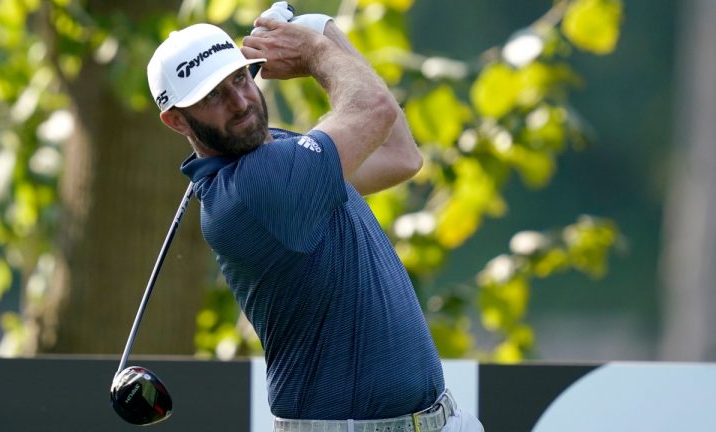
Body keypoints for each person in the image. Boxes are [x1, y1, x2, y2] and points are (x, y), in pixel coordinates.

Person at [147, 4, 485, 431]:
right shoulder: (258, 187)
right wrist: (313, 49)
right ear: (177, 120)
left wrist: (323, 32)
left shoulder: (278, 156)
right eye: (212, 96)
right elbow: (374, 110)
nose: (239, 102)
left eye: (238, 78)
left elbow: (399, 154)